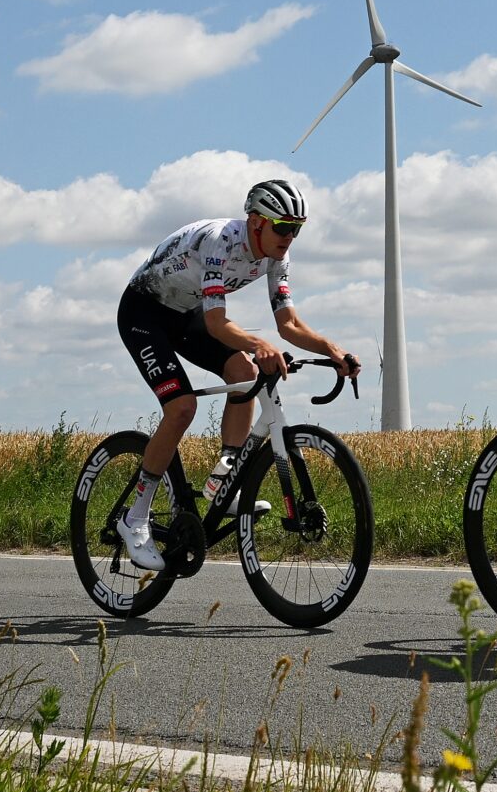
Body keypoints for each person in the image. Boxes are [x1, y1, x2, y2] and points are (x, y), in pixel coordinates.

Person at [112, 180, 359, 572]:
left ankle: (224, 480)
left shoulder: (276, 256)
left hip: (183, 312)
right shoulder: (220, 243)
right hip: (144, 313)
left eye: (297, 228)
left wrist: (332, 350)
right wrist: (258, 344)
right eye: (283, 227)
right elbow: (215, 323)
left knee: (243, 371)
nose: (290, 237)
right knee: (182, 408)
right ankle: (135, 516)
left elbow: (288, 324)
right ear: (257, 222)